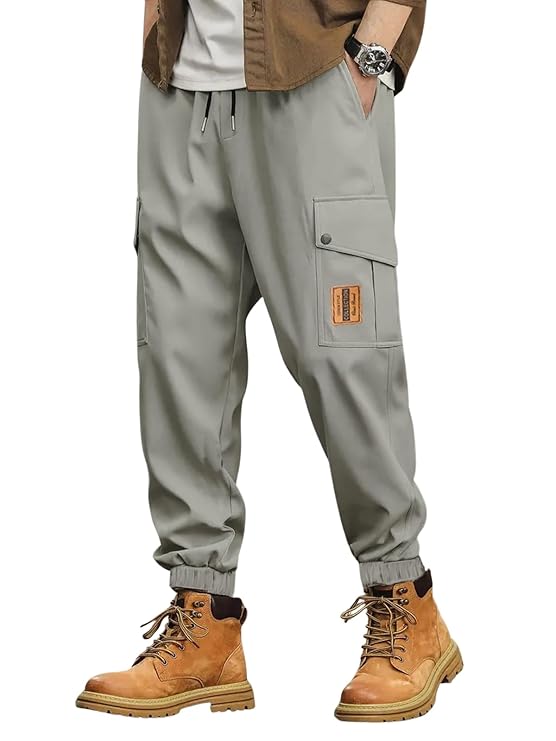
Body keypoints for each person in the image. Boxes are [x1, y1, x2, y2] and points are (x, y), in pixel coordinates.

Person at [77, 0, 462, 722]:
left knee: (342, 354)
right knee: (179, 357)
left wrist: (373, 55)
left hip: (315, 72)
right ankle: (204, 620)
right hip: (180, 85)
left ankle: (406, 601)